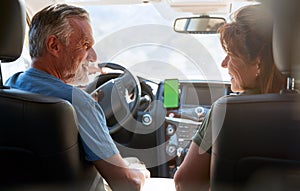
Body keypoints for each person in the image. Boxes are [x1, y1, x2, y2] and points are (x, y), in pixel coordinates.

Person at [5, 4, 149, 191]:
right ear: (54, 46)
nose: (93, 56)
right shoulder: (77, 102)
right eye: (85, 45)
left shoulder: (10, 87)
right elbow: (128, 184)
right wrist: (140, 174)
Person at [173, 4, 286, 191]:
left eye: (230, 55)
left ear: (258, 62)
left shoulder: (228, 112)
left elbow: (185, 183)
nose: (224, 64)